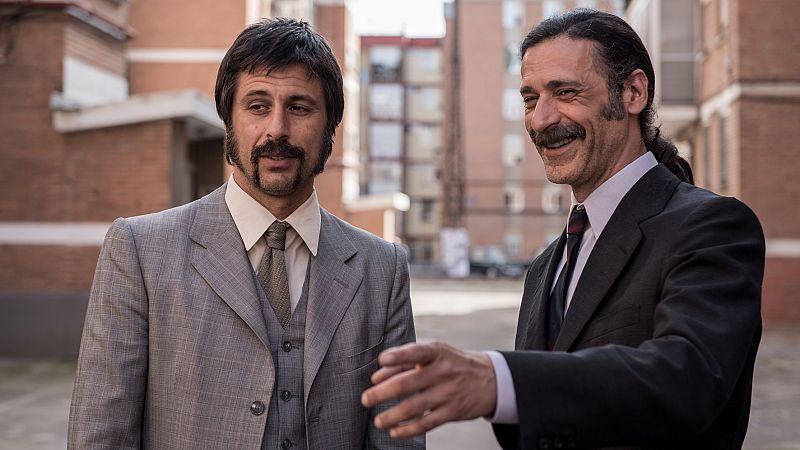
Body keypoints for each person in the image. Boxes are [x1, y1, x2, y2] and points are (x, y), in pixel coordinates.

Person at [362, 9, 764, 449]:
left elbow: (686, 379)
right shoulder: (544, 268)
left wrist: (497, 380)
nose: (540, 119)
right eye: (530, 99)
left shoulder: (712, 226)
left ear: (633, 92)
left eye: (565, 92)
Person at [68, 18, 423, 450]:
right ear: (229, 121)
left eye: (300, 108)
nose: (277, 129)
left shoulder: (382, 268)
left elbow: (398, 440)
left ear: (331, 126)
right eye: (257, 106)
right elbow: (101, 436)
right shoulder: (139, 252)